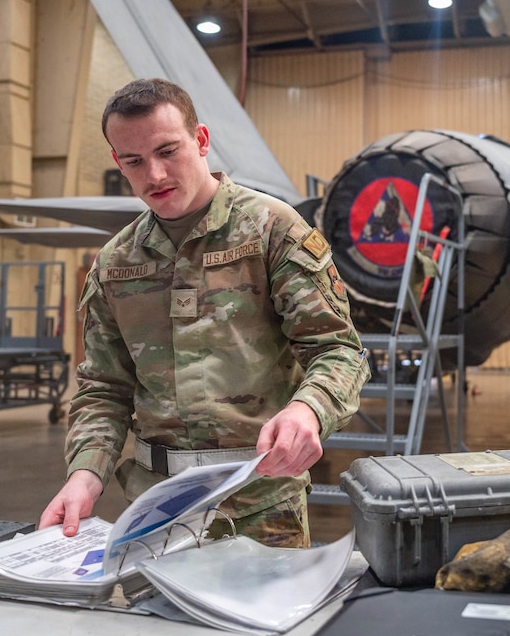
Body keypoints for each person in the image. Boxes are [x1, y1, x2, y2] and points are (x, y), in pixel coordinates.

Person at [38, 78, 369, 547]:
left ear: (201, 140)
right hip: (155, 507)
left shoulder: (271, 230)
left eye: (168, 151)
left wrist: (307, 409)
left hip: (260, 504)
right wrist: (86, 474)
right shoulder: (116, 263)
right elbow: (103, 388)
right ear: (118, 162)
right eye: (134, 161)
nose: (153, 175)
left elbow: (338, 350)